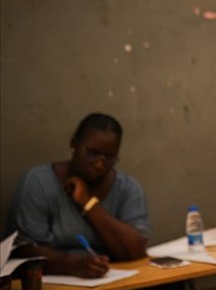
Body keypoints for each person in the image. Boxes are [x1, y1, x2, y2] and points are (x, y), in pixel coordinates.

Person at [6, 112, 150, 277]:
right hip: (52, 289)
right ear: (74, 145)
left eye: (109, 157)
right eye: (92, 153)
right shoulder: (38, 183)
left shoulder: (127, 188)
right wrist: (72, 265)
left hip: (113, 284)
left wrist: (88, 203)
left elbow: (135, 251)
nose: (99, 164)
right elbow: (23, 251)